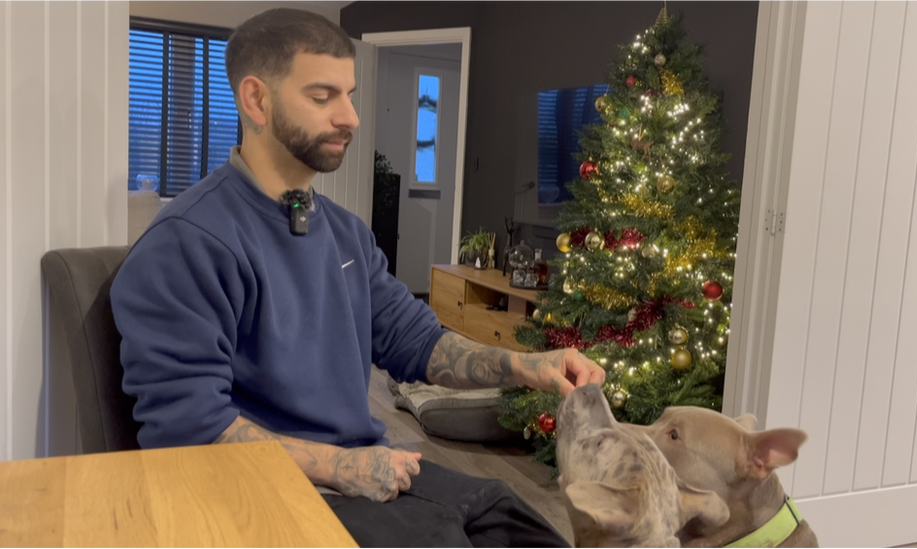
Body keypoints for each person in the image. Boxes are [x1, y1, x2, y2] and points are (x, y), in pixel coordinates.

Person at [110, 8, 605, 548]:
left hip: (373, 470)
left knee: (519, 527)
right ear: (256, 100)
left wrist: (529, 366)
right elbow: (189, 429)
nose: (350, 117)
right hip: (269, 492)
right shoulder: (189, 240)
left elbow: (417, 342)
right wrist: (340, 466)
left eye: (349, 94)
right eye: (323, 97)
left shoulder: (344, 233)